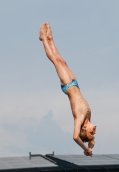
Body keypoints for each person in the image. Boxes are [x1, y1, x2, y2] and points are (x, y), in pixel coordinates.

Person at [39, 22, 96, 156]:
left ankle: (43, 39)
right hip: (75, 83)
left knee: (55, 60)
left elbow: (75, 137)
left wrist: (85, 149)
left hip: (68, 86)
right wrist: (90, 147)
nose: (95, 131)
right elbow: (92, 142)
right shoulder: (88, 118)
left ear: (84, 128)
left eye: (91, 132)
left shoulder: (80, 119)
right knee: (62, 61)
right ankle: (51, 39)